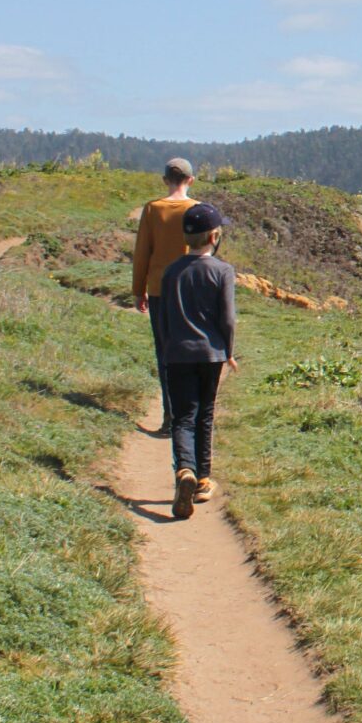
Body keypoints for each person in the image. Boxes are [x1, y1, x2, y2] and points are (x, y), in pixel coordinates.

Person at [158, 202, 238, 520]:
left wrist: (166, 348)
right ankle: (203, 479)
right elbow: (228, 318)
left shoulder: (171, 271)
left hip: (177, 354)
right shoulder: (222, 271)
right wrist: (228, 351)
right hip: (211, 354)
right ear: (215, 236)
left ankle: (185, 472)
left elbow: (163, 317)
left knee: (183, 418)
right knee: (205, 415)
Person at [132, 158, 198, 434]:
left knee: (165, 353)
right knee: (191, 351)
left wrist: (139, 290)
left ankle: (170, 417)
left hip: (160, 290)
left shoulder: (152, 209)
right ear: (191, 181)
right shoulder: (197, 210)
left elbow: (142, 253)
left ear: (164, 180)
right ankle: (190, 416)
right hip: (191, 291)